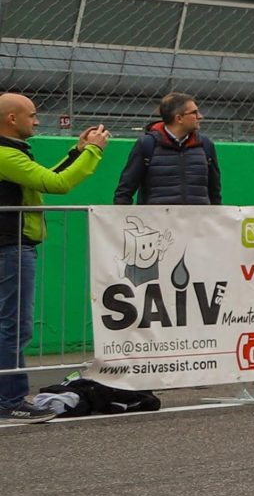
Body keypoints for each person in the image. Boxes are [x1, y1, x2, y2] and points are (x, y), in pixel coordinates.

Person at [0, 96, 109, 420]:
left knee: (10, 325)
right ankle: (10, 401)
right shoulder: (6, 155)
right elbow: (58, 184)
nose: (36, 121)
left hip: (13, 247)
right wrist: (93, 152)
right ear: (11, 118)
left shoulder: (12, 154)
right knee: (14, 327)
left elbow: (44, 179)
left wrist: (76, 152)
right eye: (32, 116)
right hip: (11, 247)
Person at [114, 92, 221, 205]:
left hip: (198, 216)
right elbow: (125, 192)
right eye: (194, 112)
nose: (200, 116)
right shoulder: (147, 144)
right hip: (156, 216)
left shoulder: (206, 145)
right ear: (179, 118)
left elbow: (214, 194)